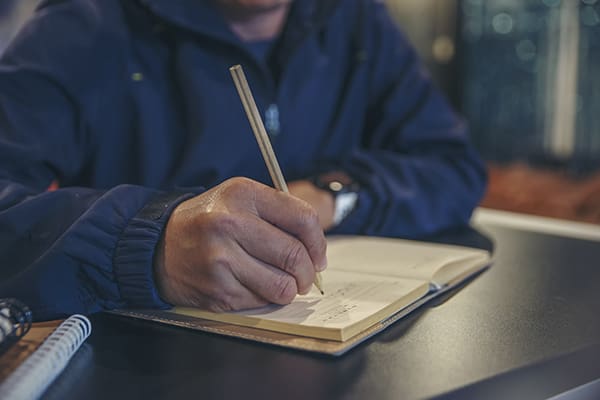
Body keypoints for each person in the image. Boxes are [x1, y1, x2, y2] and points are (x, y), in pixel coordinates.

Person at [0, 0, 487, 321]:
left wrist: (330, 198)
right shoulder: (83, 26)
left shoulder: (355, 21)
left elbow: (454, 166)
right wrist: (149, 244)